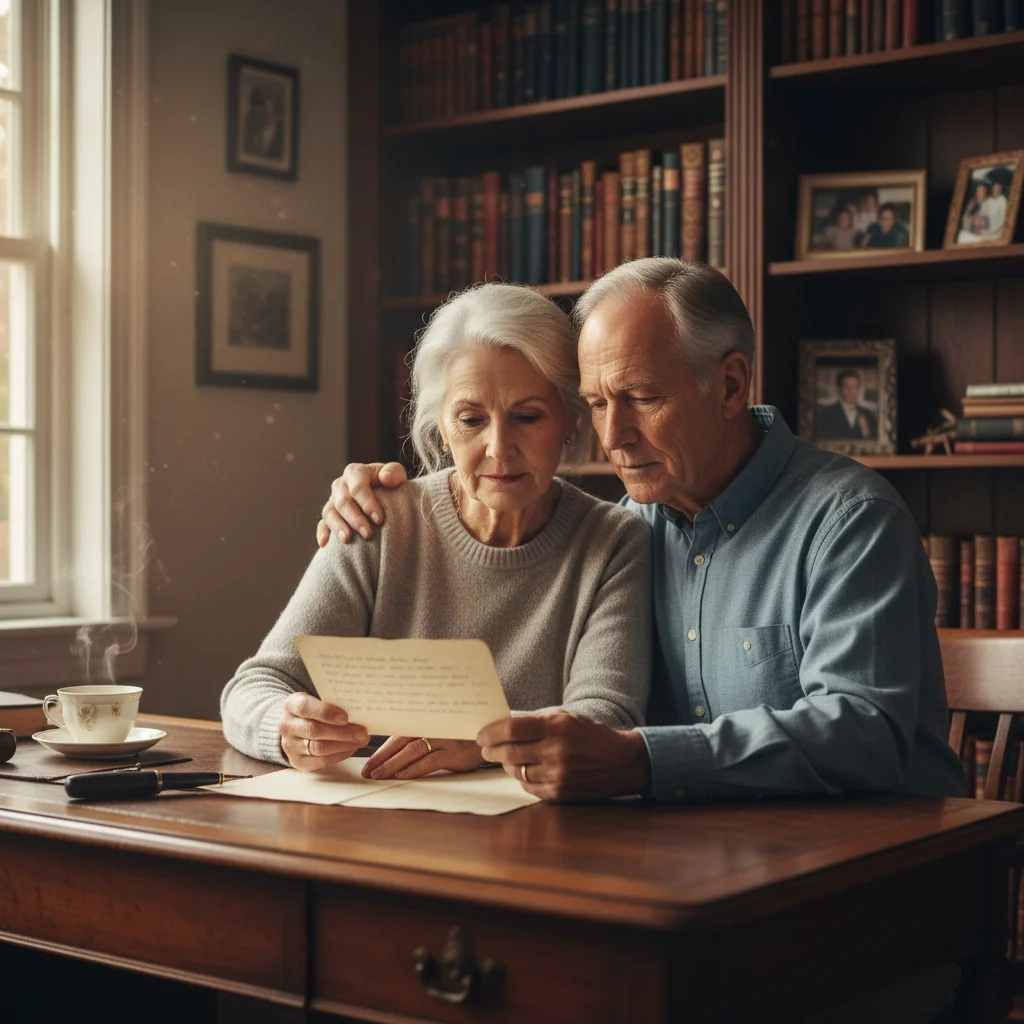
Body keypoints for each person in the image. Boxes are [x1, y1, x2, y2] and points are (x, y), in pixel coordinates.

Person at [319, 259, 965, 809]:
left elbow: (864, 736)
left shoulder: (849, 521)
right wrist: (483, 738)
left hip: (878, 883)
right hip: (698, 876)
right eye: (598, 404)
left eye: (642, 397)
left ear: (731, 384)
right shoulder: (625, 534)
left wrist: (642, 760)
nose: (614, 436)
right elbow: (583, 713)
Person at [222, 283, 651, 778]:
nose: (498, 447)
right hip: (369, 819)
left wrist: (483, 737)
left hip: (530, 833)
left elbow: (607, 720)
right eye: (471, 419)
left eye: (527, 417)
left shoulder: (615, 541)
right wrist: (285, 727)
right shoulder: (377, 518)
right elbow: (256, 685)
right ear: (442, 429)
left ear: (570, 421)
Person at [815, 368, 878, 440]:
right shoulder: (825, 414)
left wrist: (866, 434)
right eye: (847, 387)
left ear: (859, 389)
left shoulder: (869, 415)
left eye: (855, 387)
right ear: (839, 388)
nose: (851, 391)